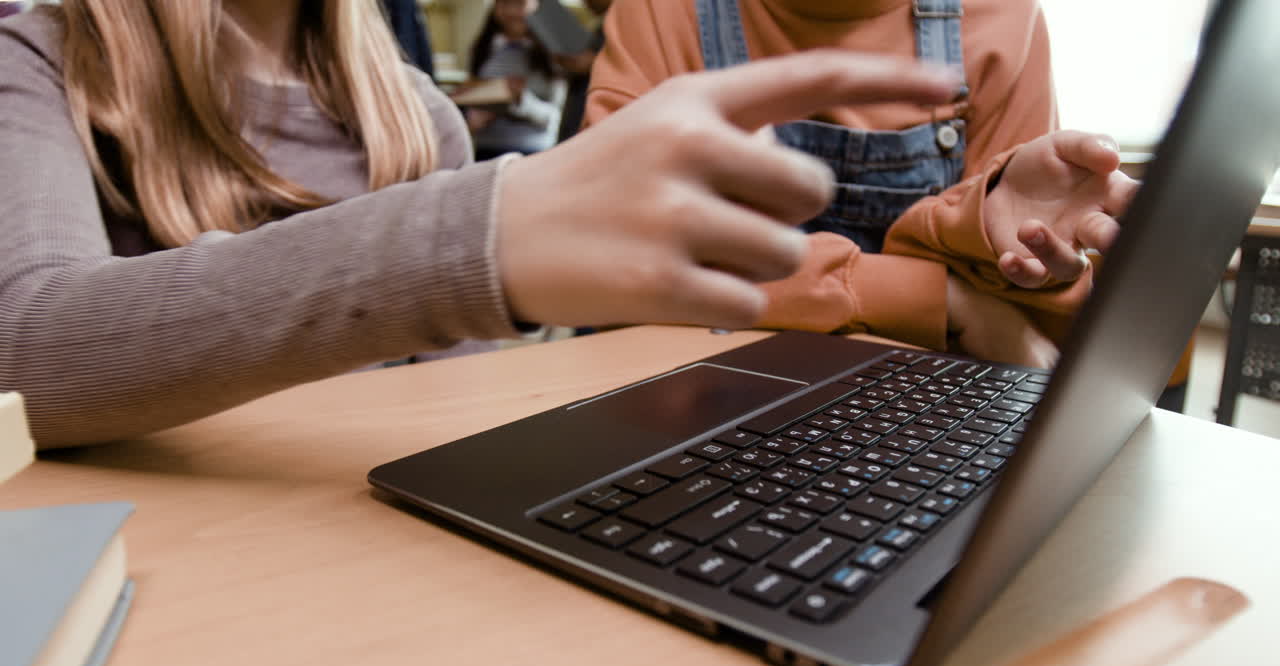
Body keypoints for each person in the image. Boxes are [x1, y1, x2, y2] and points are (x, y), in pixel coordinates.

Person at [0, 0, 965, 449]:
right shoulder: (41, 55)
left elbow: (448, 432)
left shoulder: (417, 114)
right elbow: (23, 349)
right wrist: (477, 238)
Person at [584, 0, 1151, 373]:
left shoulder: (1004, 16)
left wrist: (985, 228)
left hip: (906, 407)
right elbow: (616, 263)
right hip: (692, 386)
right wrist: (944, 299)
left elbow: (1024, 331)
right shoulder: (663, 10)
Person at [464, 0, 567, 160]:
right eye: (504, 3)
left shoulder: (554, 54)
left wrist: (521, 99)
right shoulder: (483, 48)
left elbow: (557, 117)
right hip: (486, 151)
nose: (511, 11)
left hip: (533, 152)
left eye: (520, 3)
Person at [554, 0, 612, 143]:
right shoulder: (601, 25)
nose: (585, 2)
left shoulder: (615, 23)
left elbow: (583, 63)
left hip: (590, 120)